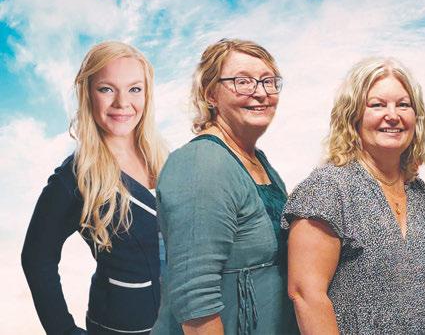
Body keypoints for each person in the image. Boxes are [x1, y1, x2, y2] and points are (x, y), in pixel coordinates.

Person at [284, 57, 425, 335]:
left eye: (403, 105)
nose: (392, 115)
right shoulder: (327, 188)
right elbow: (306, 295)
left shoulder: (422, 195)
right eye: (377, 105)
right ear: (353, 116)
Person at [22, 42, 168, 334]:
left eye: (134, 89)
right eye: (107, 89)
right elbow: (37, 258)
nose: (122, 102)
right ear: (88, 93)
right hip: (121, 327)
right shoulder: (75, 176)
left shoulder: (163, 158)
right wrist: (64, 330)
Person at [152, 39, 296, 335]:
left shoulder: (257, 160)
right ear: (210, 94)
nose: (261, 92)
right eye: (242, 81)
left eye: (269, 81)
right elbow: (195, 300)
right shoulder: (200, 164)